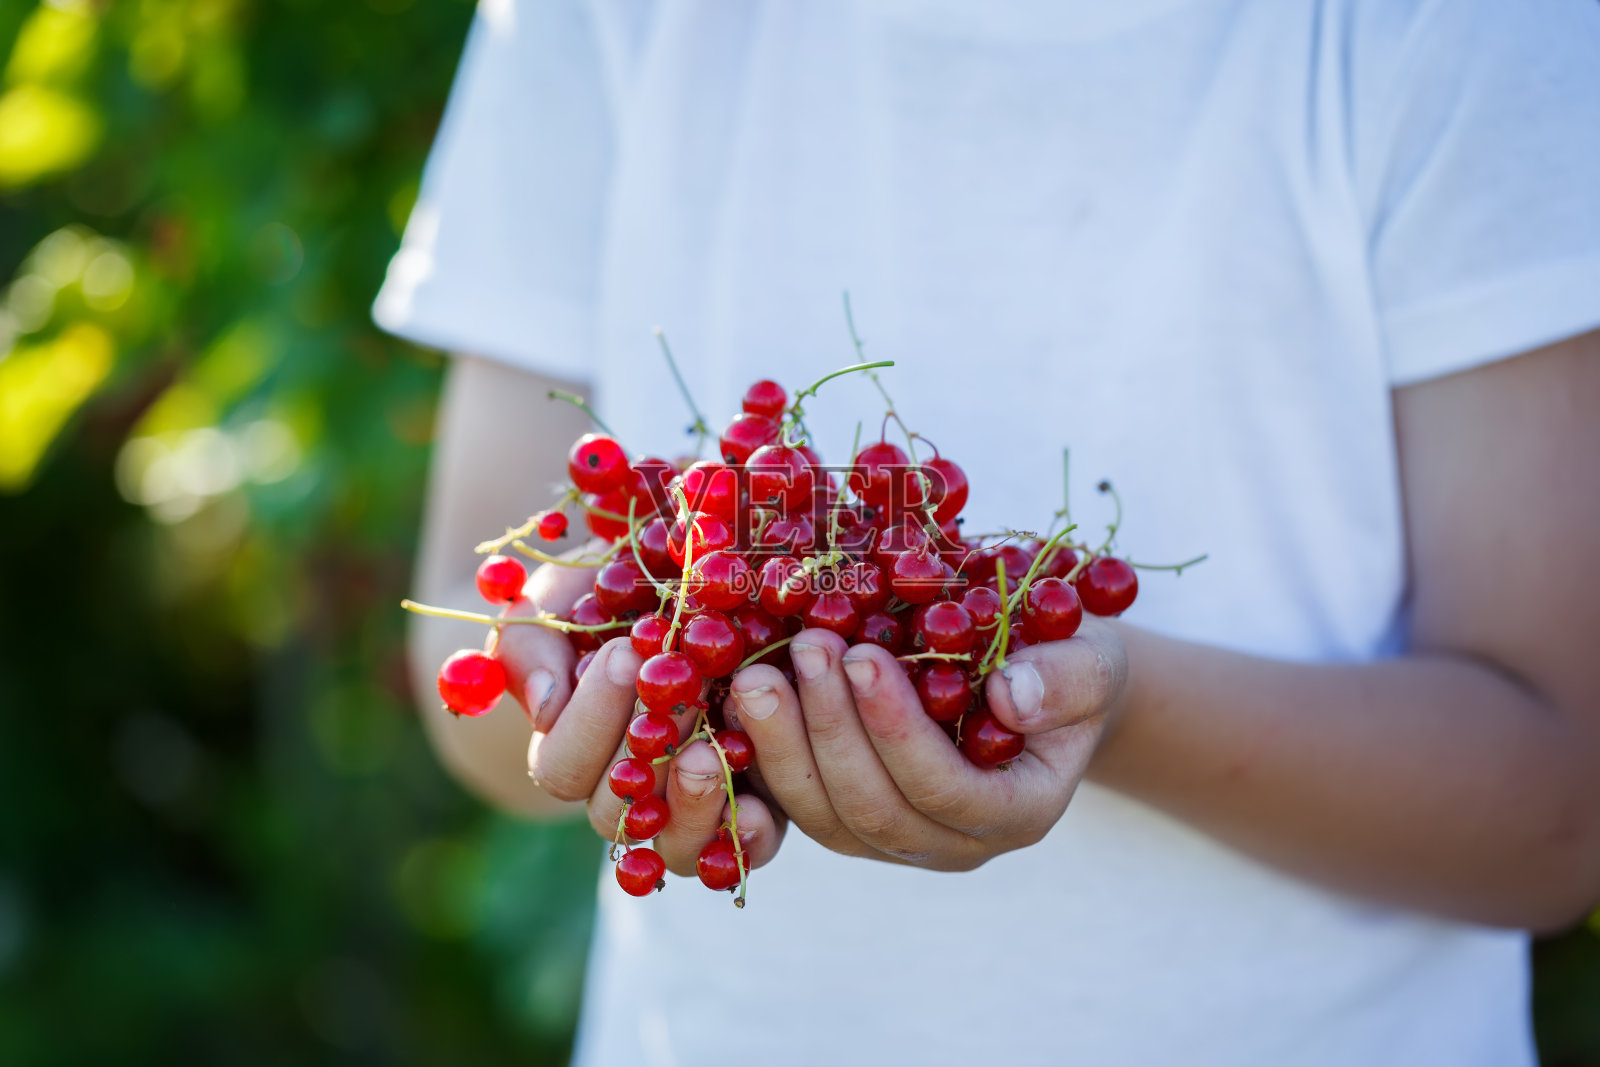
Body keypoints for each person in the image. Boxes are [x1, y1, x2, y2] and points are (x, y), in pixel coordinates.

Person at [375, 1, 1600, 1063]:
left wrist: (1113, 705)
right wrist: (578, 681)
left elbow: (1559, 813)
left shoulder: (1463, 28)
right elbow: (483, 639)